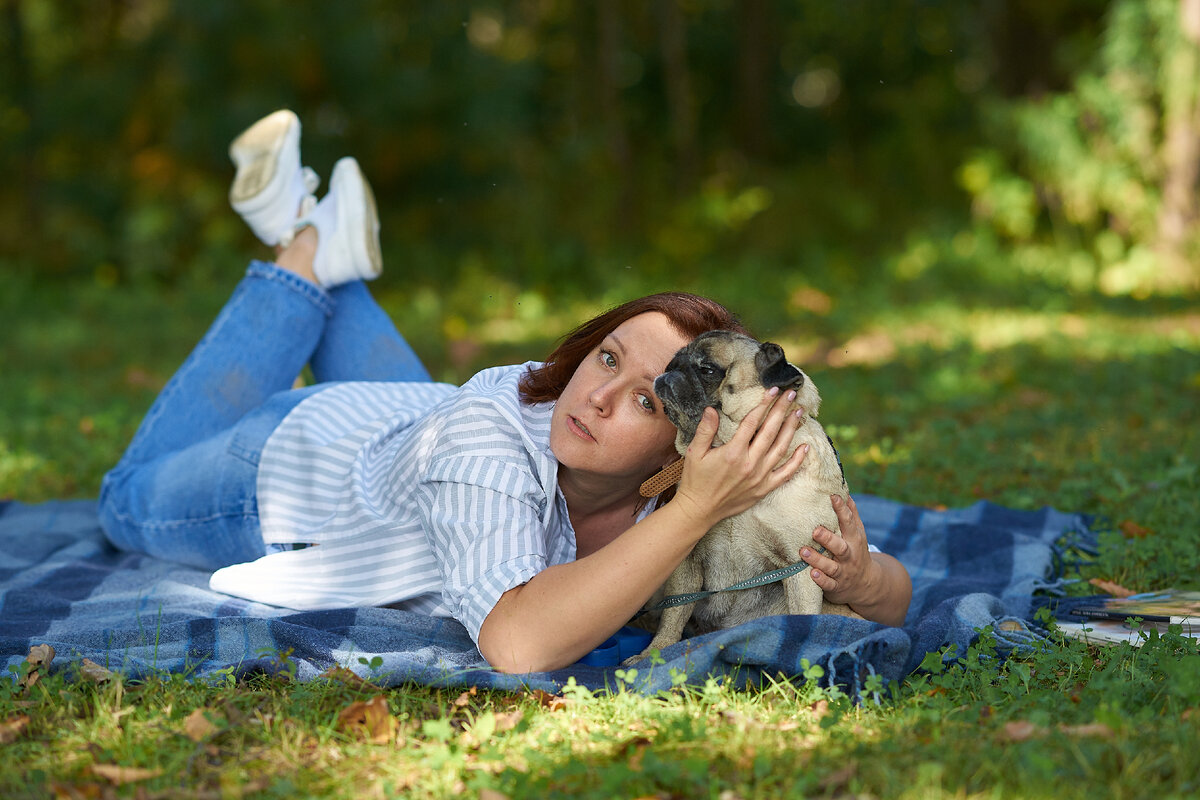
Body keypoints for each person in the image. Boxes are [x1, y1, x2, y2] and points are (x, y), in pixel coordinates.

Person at [98, 110, 911, 674]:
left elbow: (894, 587)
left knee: (445, 430)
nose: (595, 397)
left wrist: (861, 579)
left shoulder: (696, 478)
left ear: (682, 446)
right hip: (292, 464)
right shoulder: (497, 439)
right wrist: (694, 512)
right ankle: (304, 245)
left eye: (645, 401)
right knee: (122, 498)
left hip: (416, 427)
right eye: (605, 360)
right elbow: (518, 644)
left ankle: (328, 245)